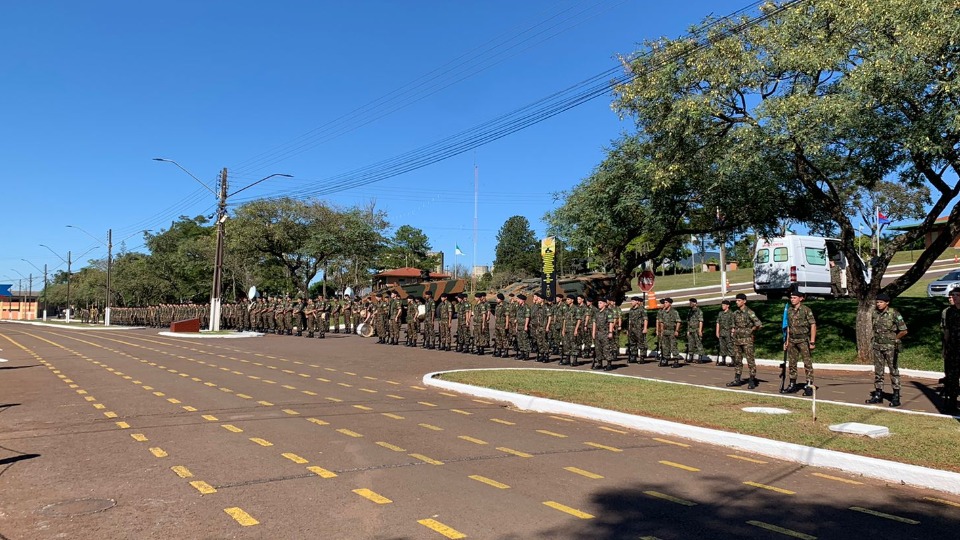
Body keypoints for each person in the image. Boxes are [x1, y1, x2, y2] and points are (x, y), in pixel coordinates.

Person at [866, 293, 908, 407]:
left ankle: (896, 396)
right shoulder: (875, 313)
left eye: (881, 302)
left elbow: (904, 330)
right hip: (877, 347)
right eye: (877, 302)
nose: (878, 304)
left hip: (890, 348)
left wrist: (895, 339)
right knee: (878, 372)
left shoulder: (894, 313)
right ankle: (878, 395)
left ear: (887, 303)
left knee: (893, 371)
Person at [783, 290, 817, 395]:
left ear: (800, 298)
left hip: (803, 340)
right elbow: (788, 327)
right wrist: (787, 341)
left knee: (807, 363)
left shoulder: (806, 310)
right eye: (791, 298)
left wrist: (812, 341)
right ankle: (792, 384)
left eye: (794, 298)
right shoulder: (789, 311)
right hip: (792, 340)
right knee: (792, 363)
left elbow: (813, 325)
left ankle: (809, 385)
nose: (792, 299)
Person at [726, 293, 763, 389]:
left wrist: (751, 330)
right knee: (737, 360)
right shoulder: (735, 313)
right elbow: (733, 325)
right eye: (736, 301)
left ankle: (752, 380)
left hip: (747, 340)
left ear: (744, 301)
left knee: (750, 360)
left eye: (739, 300)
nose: (737, 302)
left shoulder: (749, 312)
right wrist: (733, 331)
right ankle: (737, 379)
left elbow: (759, 324)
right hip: (737, 340)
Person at [941, 289, 960, 414]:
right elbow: (946, 330)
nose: (954, 297)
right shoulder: (949, 312)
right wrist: (945, 349)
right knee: (952, 378)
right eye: (952, 295)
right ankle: (952, 404)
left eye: (957, 295)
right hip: (953, 350)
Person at [656, 297, 681, 367]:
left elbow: (678, 321)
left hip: (672, 331)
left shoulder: (674, 312)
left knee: (673, 346)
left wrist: (676, 330)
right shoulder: (663, 312)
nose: (665, 304)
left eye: (666, 302)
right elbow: (661, 322)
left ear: (670, 304)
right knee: (665, 346)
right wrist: (661, 331)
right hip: (665, 331)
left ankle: (676, 360)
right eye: (664, 302)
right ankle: (665, 360)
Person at [626, 296, 648, 363]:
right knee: (632, 343)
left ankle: (642, 357)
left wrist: (645, 328)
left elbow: (645, 319)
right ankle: (634, 356)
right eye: (631, 301)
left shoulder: (642, 309)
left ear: (637, 302)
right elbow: (630, 320)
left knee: (641, 343)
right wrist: (628, 329)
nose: (631, 302)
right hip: (632, 329)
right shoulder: (631, 310)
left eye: (633, 301)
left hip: (639, 329)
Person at [686, 298, 707, 363]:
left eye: (691, 302)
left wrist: (700, 330)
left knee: (698, 343)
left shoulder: (699, 311)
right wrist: (688, 330)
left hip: (697, 329)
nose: (690, 304)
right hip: (691, 329)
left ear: (695, 303)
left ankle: (700, 357)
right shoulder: (690, 311)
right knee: (690, 344)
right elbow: (688, 321)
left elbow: (701, 321)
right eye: (690, 302)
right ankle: (691, 356)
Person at [715, 300, 734, 366]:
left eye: (724, 305)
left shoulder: (731, 313)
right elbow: (718, 323)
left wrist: (732, 331)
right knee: (722, 347)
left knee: (730, 346)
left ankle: (733, 361)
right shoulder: (720, 313)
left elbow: (733, 324)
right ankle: (723, 360)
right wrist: (717, 332)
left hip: (728, 332)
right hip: (721, 332)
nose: (722, 306)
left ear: (728, 306)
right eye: (722, 305)